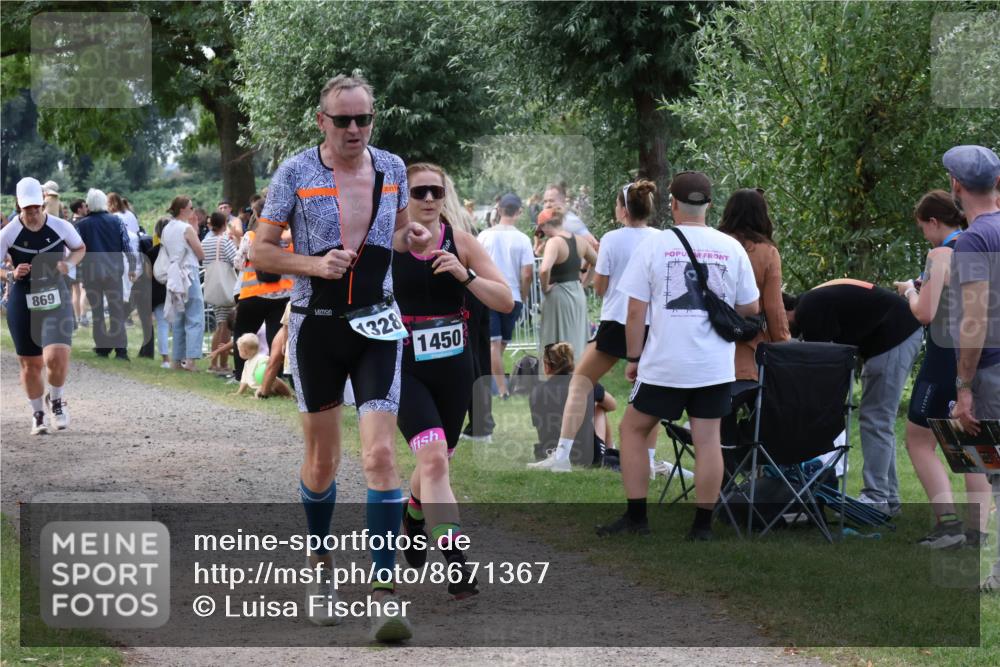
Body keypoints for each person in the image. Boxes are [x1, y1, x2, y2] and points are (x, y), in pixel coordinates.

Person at [250, 73, 433, 638]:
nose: (355, 129)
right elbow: (260, 252)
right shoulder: (295, 172)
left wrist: (414, 239)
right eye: (343, 119)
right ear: (322, 121)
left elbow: (397, 233)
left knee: (379, 455)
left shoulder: (393, 168)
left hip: (378, 323)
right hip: (317, 327)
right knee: (323, 462)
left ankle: (384, 595)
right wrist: (312, 264)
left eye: (364, 119)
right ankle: (319, 567)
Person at [597, 171, 760, 540]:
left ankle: (637, 518)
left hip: (664, 364)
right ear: (709, 205)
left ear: (672, 204)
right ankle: (702, 527)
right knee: (708, 440)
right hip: (713, 365)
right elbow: (750, 307)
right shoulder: (731, 247)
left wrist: (633, 358)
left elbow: (635, 311)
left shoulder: (655, 245)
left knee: (632, 430)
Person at [393, 162, 513, 599]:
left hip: (455, 369)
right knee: (434, 460)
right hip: (405, 366)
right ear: (403, 196)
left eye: (436, 191)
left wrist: (466, 275)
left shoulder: (461, 243)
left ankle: (414, 513)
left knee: (436, 462)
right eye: (419, 191)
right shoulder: (387, 243)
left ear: (445, 196)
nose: (428, 199)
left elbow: (505, 300)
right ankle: (458, 564)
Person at [536, 179, 660, 473]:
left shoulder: (613, 239)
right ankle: (651, 461)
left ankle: (562, 456)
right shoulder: (661, 238)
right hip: (650, 323)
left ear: (623, 210)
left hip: (617, 320)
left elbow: (601, 287)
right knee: (651, 392)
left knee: (579, 384)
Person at [892, 190, 991, 549]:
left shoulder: (941, 253)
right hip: (978, 357)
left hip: (943, 358)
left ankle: (948, 525)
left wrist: (909, 291)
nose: (924, 236)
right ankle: (979, 532)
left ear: (934, 222)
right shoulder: (978, 244)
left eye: (923, 228)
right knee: (973, 444)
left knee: (919, 441)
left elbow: (924, 313)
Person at [785, 279, 922, 516]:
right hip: (896, 334)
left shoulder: (808, 309)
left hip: (895, 335)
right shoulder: (812, 301)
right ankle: (888, 499)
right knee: (878, 420)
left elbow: (825, 364)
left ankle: (875, 498)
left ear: (784, 310)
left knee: (876, 419)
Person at [940, 145, 1000, 593]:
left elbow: (974, 320)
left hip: (993, 371)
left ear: (955, 185)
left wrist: (963, 386)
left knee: (996, 475)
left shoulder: (975, 240)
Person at [1, 177, 86, 433]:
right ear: (19, 206)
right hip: (23, 297)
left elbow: (80, 248)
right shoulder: (8, 233)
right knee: (31, 364)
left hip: (55, 295)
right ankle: (38, 414)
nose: (33, 213)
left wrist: (68, 264)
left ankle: (56, 401)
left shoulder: (60, 226)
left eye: (37, 207)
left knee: (56, 357)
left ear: (43, 203)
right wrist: (11, 273)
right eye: (28, 208)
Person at [476, 193, 534, 399]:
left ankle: (494, 384)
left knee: (495, 345)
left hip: (489, 293)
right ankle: (502, 389)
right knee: (498, 344)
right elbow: (527, 274)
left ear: (499, 210)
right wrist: (524, 296)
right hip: (513, 295)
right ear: (519, 212)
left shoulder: (484, 236)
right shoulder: (523, 239)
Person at [530, 342, 617, 467]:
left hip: (547, 451)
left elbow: (540, 425)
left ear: (547, 366)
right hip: (587, 455)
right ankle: (609, 449)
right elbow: (612, 405)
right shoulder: (585, 384)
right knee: (600, 408)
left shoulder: (536, 392)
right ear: (571, 363)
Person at [231, 213, 293, 383]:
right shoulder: (288, 239)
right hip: (282, 296)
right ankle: (275, 377)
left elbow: (238, 263)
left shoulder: (251, 236)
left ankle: (241, 376)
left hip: (253, 294)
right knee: (276, 338)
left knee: (243, 334)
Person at [75, 189, 136, 359]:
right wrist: (132, 267)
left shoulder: (81, 225)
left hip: (91, 272)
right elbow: (127, 245)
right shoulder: (117, 221)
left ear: (88, 204)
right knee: (117, 310)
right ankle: (121, 350)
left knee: (97, 311)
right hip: (113, 271)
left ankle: (102, 347)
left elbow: (76, 249)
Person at [537, 206, 596, 361]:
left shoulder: (554, 242)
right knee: (577, 339)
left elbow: (544, 270)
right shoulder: (580, 240)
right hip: (577, 294)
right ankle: (578, 372)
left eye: (541, 228)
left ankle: (558, 374)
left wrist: (545, 287)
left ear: (545, 226)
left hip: (559, 295)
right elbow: (597, 262)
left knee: (555, 341)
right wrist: (584, 283)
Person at [160, 196, 205, 371]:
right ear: (182, 209)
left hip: (173, 273)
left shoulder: (166, 228)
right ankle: (191, 360)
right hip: (189, 272)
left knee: (178, 316)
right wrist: (194, 229)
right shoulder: (186, 228)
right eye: (191, 208)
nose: (193, 211)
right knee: (195, 315)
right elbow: (200, 253)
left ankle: (176, 360)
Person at [201, 211, 239, 375]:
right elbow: (236, 260)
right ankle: (222, 364)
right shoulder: (224, 241)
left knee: (220, 324)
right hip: (226, 287)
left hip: (213, 286)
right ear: (224, 224)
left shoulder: (205, 242)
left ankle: (214, 362)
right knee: (225, 326)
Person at [232, 332, 292, 397]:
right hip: (260, 387)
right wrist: (239, 392)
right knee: (259, 391)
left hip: (266, 384)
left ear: (244, 351)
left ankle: (288, 394)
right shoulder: (247, 363)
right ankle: (272, 393)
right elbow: (244, 381)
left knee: (276, 381)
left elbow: (269, 363)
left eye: (239, 350)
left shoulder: (261, 358)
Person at [542, 182, 598, 250]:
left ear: (563, 201)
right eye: (545, 202)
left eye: (551, 201)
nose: (547, 205)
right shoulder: (552, 221)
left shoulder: (569, 220)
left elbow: (595, 245)